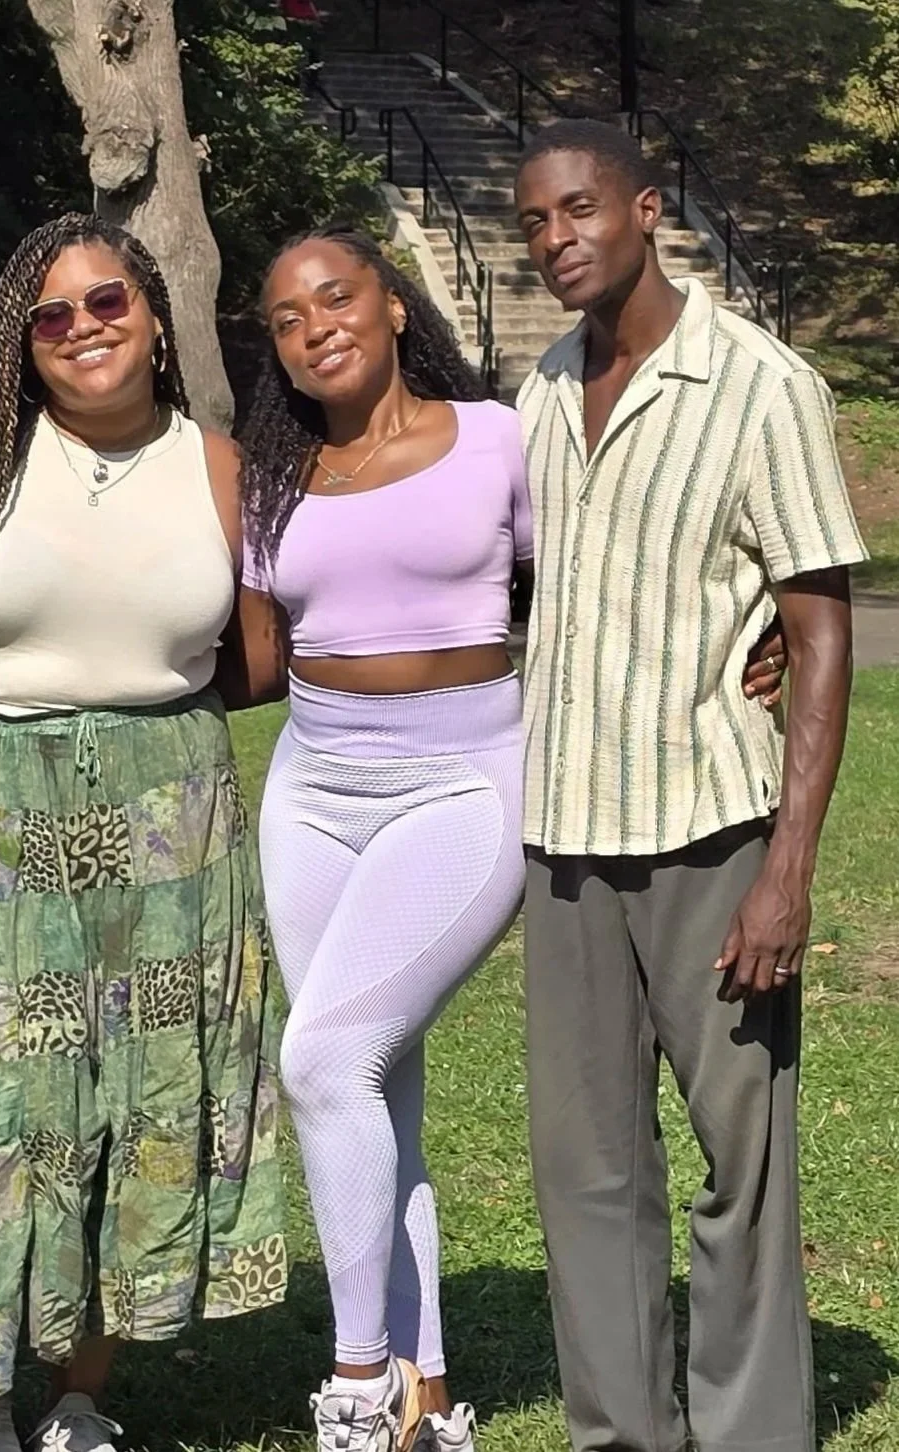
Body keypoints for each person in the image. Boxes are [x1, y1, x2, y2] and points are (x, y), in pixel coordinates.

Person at [0, 213, 287, 1452]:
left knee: (139, 1093)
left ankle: (77, 1395)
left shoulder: (217, 467)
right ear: (21, 340)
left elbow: (259, 659)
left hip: (172, 819)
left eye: (106, 302)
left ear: (155, 318)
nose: (80, 329)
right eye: (47, 314)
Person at [513, 119, 864, 1452]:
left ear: (646, 208)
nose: (555, 238)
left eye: (579, 208)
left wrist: (787, 871)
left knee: (740, 1166)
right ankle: (620, 1432)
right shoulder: (542, 388)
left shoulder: (761, 386)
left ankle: (750, 1430)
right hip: (564, 839)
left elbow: (817, 630)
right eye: (535, 219)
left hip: (710, 834)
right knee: (586, 1173)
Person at [231, 224, 525, 1452]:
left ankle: (356, 1382)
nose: (315, 328)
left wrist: (754, 636)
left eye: (335, 297)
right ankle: (427, 1400)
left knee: (320, 1061)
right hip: (311, 792)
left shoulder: (497, 439)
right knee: (369, 1087)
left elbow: (596, 585)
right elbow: (250, 659)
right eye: (286, 320)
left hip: (461, 786)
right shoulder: (270, 478)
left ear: (393, 304)